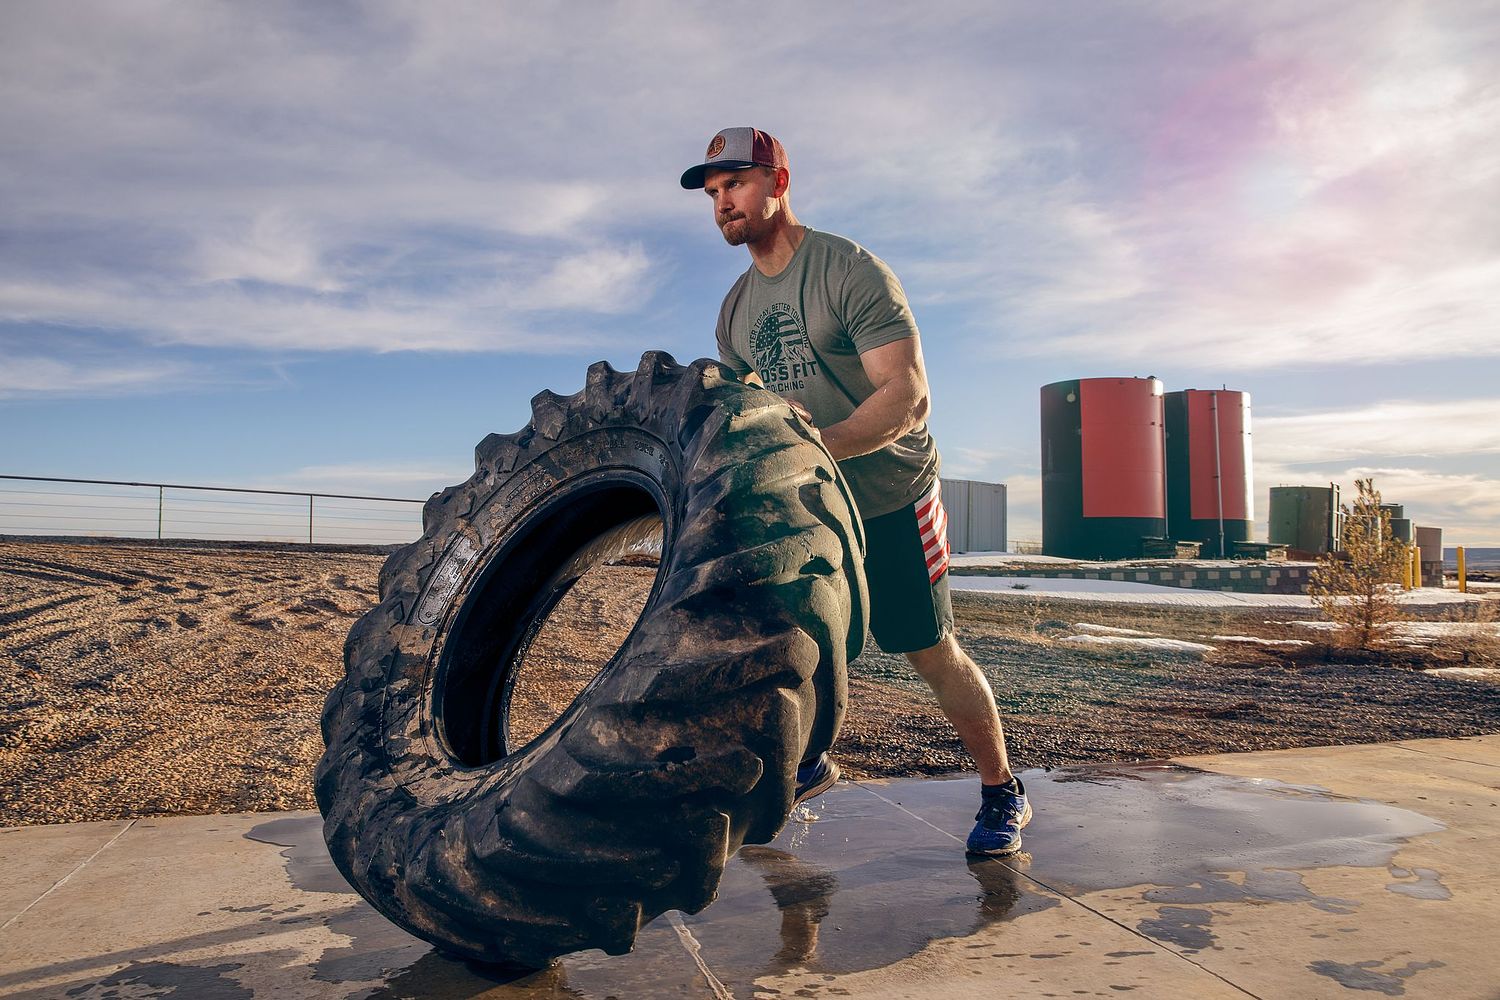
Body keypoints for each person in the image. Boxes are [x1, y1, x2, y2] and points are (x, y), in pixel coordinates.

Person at [681, 126, 1032, 856]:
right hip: (808, 505)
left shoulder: (848, 270)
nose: (723, 204)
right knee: (789, 646)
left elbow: (907, 396)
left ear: (779, 182)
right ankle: (810, 763)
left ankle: (1002, 788)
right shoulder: (735, 309)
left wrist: (822, 447)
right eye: (713, 194)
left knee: (930, 651)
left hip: (891, 493)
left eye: (736, 185)